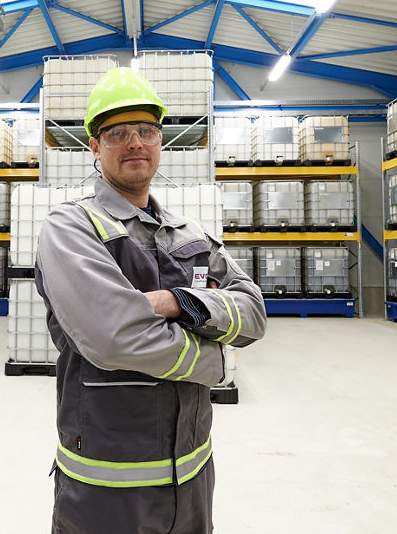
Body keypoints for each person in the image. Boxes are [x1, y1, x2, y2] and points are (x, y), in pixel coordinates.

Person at [36, 66, 267, 533]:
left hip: (194, 470)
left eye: (146, 130)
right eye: (118, 133)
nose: (135, 142)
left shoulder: (191, 233)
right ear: (95, 148)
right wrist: (217, 364)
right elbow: (116, 338)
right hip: (108, 481)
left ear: (161, 141)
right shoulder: (72, 227)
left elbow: (254, 311)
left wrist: (177, 302)